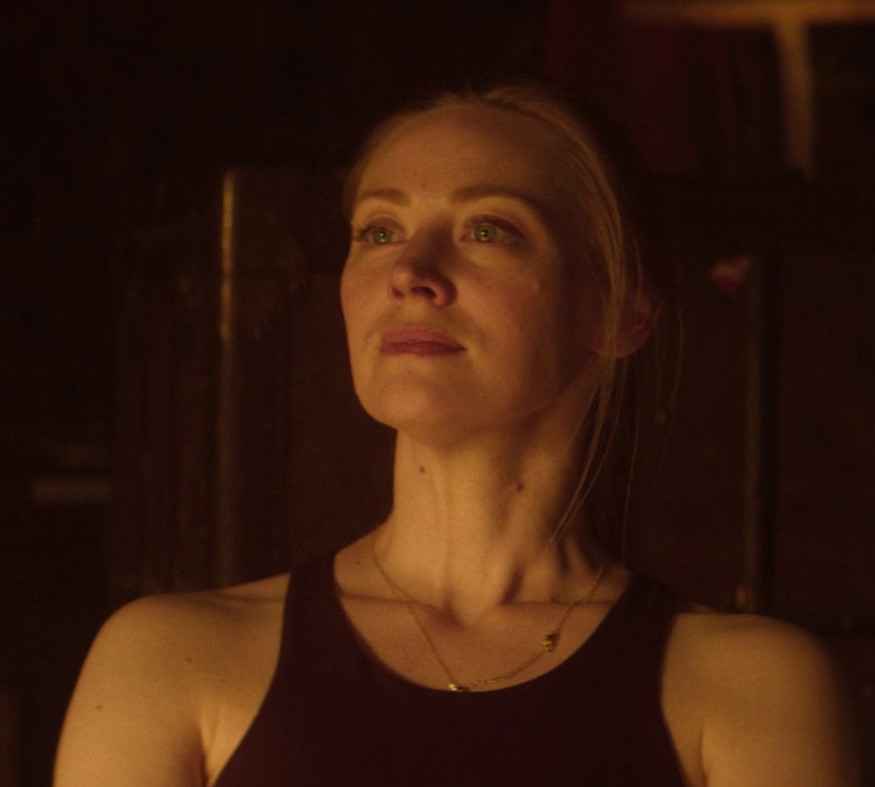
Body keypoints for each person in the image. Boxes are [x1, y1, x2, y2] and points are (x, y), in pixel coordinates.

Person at [53, 80, 861, 786]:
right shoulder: (168, 659)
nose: (410, 271)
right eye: (379, 231)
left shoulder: (750, 687)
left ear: (621, 309)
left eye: (487, 229)